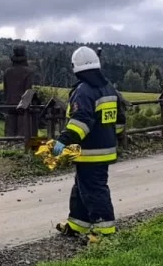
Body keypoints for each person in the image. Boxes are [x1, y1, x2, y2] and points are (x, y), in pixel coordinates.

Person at [47, 46, 128, 243]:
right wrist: (108, 137)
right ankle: (77, 224)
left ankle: (104, 232)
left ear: (77, 68)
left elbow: (80, 122)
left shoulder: (83, 91)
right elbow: (120, 121)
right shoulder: (109, 88)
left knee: (94, 190)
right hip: (105, 150)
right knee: (82, 187)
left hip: (90, 152)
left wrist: (62, 142)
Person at [2, 45, 35, 137]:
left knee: (9, 134)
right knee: (22, 135)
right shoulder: (28, 72)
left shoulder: (7, 72)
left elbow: (5, 90)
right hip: (23, 107)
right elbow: (28, 91)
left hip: (9, 104)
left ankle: (8, 150)